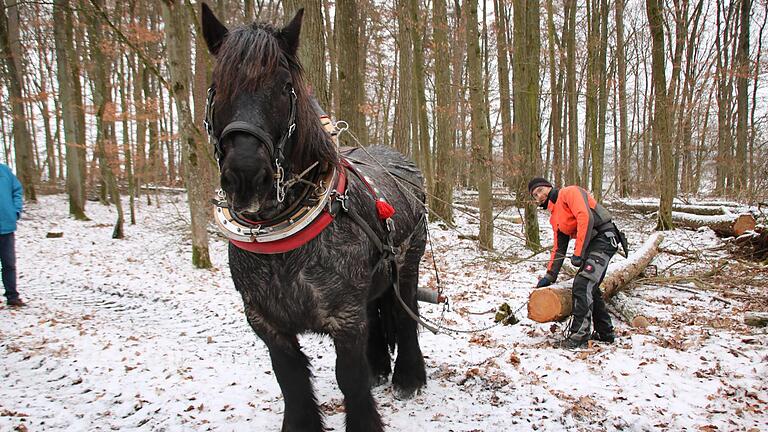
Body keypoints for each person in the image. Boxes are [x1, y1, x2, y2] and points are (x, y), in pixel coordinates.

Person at [529, 177, 626, 349]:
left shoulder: (569, 192)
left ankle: (579, 335)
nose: (539, 195)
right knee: (590, 287)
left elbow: (585, 217)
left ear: (549, 187)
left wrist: (578, 253)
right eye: (535, 195)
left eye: (540, 190)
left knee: (583, 283)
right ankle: (605, 332)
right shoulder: (555, 217)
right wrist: (549, 276)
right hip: (591, 244)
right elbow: (559, 248)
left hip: (604, 238)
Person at [0, 163, 23, 307]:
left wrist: (15, 211)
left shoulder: (4, 171)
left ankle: (12, 296)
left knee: (9, 264)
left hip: (7, 226)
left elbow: (17, 191)